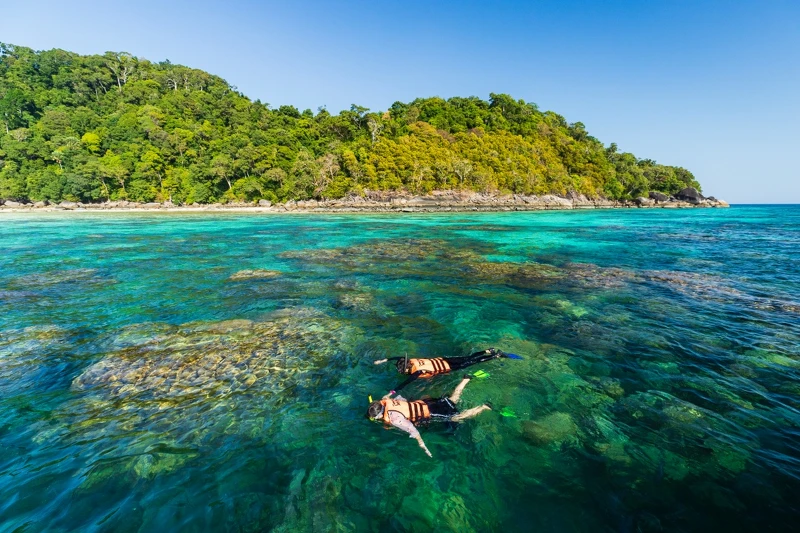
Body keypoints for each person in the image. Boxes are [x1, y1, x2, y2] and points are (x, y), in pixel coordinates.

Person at [365, 375, 491, 457]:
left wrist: (423, 446)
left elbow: (413, 430)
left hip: (431, 412)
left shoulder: (394, 419)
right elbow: (401, 398)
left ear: (379, 414)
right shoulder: (385, 400)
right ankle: (465, 380)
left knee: (457, 417)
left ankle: (483, 407)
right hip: (426, 403)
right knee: (452, 400)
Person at [373, 347, 521, 392]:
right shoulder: (409, 361)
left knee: (471, 363)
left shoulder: (416, 373)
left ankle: (495, 357)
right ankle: (487, 351)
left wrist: (392, 392)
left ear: (406, 370)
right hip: (443, 359)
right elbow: (398, 356)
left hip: (447, 367)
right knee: (467, 357)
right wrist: (384, 360)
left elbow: (404, 384)